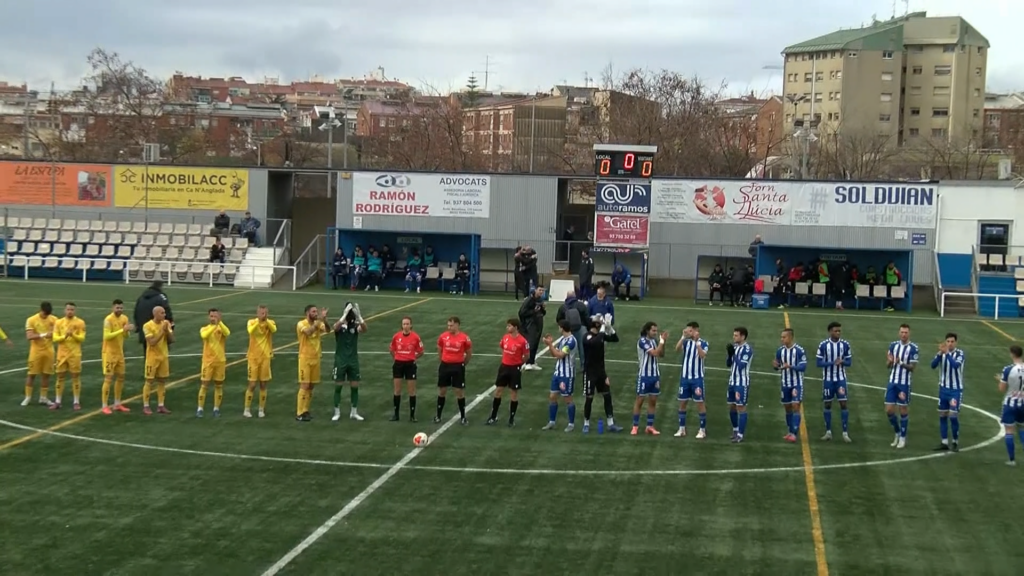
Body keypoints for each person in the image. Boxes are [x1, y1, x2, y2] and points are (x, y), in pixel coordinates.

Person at [580, 315, 623, 433]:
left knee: (607, 396)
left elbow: (615, 339)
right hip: (590, 373)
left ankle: (610, 423)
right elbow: (595, 342)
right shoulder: (587, 336)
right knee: (589, 398)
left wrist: (610, 328)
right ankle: (586, 423)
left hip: (600, 372)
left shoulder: (600, 335)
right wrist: (604, 328)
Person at [488, 318, 529, 427]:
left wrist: (518, 363)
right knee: (498, 391)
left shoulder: (522, 341)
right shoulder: (505, 337)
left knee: (513, 393)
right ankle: (493, 416)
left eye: (509, 326)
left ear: (515, 327)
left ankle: (511, 418)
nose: (507, 328)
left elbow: (526, 355)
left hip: (515, 368)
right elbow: (502, 347)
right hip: (504, 367)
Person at [816, 321, 852, 442]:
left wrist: (842, 362)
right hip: (828, 380)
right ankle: (828, 432)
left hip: (841, 379)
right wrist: (832, 363)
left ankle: (845, 433)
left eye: (839, 331)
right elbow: (818, 363)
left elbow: (849, 362)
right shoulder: (823, 345)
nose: (838, 333)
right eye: (836, 331)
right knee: (827, 404)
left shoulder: (845, 345)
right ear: (830, 332)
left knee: (843, 404)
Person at [884, 324, 919, 449]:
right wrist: (890, 361)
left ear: (909, 333)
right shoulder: (893, 345)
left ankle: (903, 438)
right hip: (892, 381)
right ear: (899, 333)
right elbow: (888, 365)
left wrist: (901, 362)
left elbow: (912, 368)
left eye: (906, 332)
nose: (904, 334)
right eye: (902, 332)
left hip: (904, 383)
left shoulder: (913, 348)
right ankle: (897, 432)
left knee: (903, 409)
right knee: (889, 410)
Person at [332, 303, 367, 422]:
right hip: (340, 360)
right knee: (338, 387)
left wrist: (360, 317)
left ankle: (354, 412)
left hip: (353, 360)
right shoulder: (340, 326)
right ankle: (337, 412)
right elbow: (335, 328)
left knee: (355, 387)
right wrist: (344, 315)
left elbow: (364, 329)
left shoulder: (355, 326)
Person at [435, 316, 472, 425]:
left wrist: (463, 363)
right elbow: (439, 349)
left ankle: (463, 417)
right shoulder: (443, 336)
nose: (449, 327)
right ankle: (438, 416)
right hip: (445, 366)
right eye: (448, 325)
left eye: (451, 325)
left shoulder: (464, 338)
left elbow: (469, 353)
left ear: (457, 325)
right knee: (442, 391)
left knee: (459, 392)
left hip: (458, 367)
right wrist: (443, 360)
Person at [674, 321, 709, 439]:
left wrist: (697, 343)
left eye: (689, 330)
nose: (688, 332)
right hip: (685, 378)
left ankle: (702, 430)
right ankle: (682, 429)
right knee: (682, 402)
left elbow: (702, 355)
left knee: (700, 403)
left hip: (697, 379)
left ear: (695, 330)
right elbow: (677, 349)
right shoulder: (686, 342)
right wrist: (682, 337)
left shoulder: (703, 343)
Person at [542, 321, 578, 432]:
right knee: (552, 396)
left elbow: (560, 355)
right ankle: (552, 422)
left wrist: (550, 345)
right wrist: (550, 345)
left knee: (568, 399)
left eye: (559, 327)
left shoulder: (571, 341)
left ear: (562, 328)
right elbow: (555, 354)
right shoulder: (562, 339)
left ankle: (571, 424)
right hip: (558, 373)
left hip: (567, 375)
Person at [295, 304, 329, 422]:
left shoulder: (318, 323)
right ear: (307, 313)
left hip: (316, 358)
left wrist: (325, 320)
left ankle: (305, 410)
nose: (316, 313)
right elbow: (308, 332)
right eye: (313, 312)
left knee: (311, 386)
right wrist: (319, 321)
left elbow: (328, 330)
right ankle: (299, 412)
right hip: (305, 358)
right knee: (304, 385)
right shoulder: (301, 324)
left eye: (316, 312)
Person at [931, 332, 964, 452]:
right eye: (948, 341)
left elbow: (955, 365)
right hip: (943, 389)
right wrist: (939, 355)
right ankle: (944, 442)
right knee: (943, 415)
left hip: (955, 390)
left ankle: (955, 441)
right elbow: (932, 365)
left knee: (953, 416)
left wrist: (947, 353)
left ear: (956, 342)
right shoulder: (941, 353)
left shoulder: (960, 354)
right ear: (945, 342)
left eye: (952, 341)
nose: (950, 344)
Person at [632, 321, 666, 435]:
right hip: (644, 376)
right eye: (653, 330)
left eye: (656, 331)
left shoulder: (654, 341)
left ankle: (649, 426)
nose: (655, 333)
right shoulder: (642, 341)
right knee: (640, 401)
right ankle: (635, 426)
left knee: (653, 401)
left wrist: (663, 343)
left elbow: (661, 354)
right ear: (647, 331)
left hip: (655, 375)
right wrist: (662, 341)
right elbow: (654, 353)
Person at [773, 328, 807, 442]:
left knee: (795, 405)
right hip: (785, 383)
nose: (782, 339)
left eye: (784, 337)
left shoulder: (799, 350)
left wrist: (791, 366)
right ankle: (790, 431)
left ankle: (794, 433)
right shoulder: (780, 351)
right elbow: (778, 365)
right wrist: (775, 366)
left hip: (797, 383)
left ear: (791, 337)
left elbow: (803, 367)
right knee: (787, 408)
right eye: (781, 337)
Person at [101, 299, 134, 415]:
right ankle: (104, 405)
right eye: (117, 308)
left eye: (121, 308)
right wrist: (122, 330)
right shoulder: (108, 320)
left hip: (119, 353)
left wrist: (127, 331)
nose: (119, 310)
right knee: (108, 378)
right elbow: (107, 336)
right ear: (113, 308)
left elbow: (126, 336)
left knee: (121, 377)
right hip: (109, 353)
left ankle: (117, 403)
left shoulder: (124, 318)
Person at [51, 302, 86, 410]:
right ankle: (57, 401)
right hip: (61, 354)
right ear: (64, 310)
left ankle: (76, 401)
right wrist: (65, 336)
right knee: (60, 377)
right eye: (68, 309)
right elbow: (55, 338)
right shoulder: (59, 322)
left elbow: (82, 338)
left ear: (75, 311)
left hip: (75, 354)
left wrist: (73, 335)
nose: (70, 311)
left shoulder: (80, 322)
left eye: (72, 310)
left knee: (75, 377)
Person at [197, 308, 230, 418]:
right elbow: (204, 336)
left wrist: (219, 323)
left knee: (219, 385)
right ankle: (200, 408)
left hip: (220, 361)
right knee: (204, 385)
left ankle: (216, 408)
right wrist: (214, 326)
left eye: (215, 316)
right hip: (208, 361)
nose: (213, 318)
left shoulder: (222, 328)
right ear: (208, 317)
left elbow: (227, 333)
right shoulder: (204, 329)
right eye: (211, 316)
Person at [245, 305, 276, 418]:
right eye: (262, 313)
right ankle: (247, 409)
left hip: (265, 357)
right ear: (257, 313)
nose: (264, 315)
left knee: (263, 384)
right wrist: (258, 321)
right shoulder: (251, 322)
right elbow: (250, 331)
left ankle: (261, 409)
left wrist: (266, 321)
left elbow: (274, 330)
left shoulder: (270, 323)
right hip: (253, 357)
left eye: (265, 313)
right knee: (252, 384)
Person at [390, 316, 424, 422]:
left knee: (411, 390)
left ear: (411, 325)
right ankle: (396, 415)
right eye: (404, 324)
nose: (405, 326)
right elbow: (391, 349)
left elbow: (421, 351)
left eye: (407, 324)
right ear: (401, 325)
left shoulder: (416, 337)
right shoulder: (396, 336)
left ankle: (412, 416)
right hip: (398, 364)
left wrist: (412, 357)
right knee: (397, 390)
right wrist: (397, 358)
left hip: (410, 365)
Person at [23, 301, 56, 406]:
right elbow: (29, 336)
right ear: (41, 310)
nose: (46, 316)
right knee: (31, 374)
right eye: (45, 314)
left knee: (46, 375)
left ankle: (43, 397)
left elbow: (59, 332)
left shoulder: (54, 319)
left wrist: (55, 333)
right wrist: (45, 334)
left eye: (48, 315)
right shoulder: (31, 320)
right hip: (35, 351)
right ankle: (28, 397)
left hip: (49, 351)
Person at [142, 305, 174, 415]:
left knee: (162, 381)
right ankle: (146, 406)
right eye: (162, 313)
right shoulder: (147, 326)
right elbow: (152, 342)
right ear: (155, 314)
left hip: (163, 356)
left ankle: (161, 405)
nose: (164, 315)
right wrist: (162, 331)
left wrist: (168, 331)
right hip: (152, 358)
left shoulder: (166, 323)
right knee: (149, 381)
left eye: (164, 313)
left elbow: (171, 340)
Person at [726, 327, 753, 443]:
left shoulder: (747, 349)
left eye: (736, 335)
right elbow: (728, 364)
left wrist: (734, 355)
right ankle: (735, 430)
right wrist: (729, 355)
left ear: (743, 336)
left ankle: (740, 435)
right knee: (732, 406)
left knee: (741, 407)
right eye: (734, 335)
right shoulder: (735, 347)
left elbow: (741, 365)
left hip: (742, 383)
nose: (734, 337)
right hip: (732, 381)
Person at [998, 346, 1024, 466]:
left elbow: (1002, 388)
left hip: (1010, 403)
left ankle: (1012, 460)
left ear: (1012, 354)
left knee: (1009, 431)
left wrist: (1001, 380)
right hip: (1022, 403)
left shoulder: (1008, 369)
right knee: (1022, 428)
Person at [134, 281, 172, 354]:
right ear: (160, 287)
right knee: (161, 351)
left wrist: (138, 326)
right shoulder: (161, 297)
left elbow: (136, 312)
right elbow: (167, 310)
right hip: (157, 329)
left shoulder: (141, 297)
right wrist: (170, 326)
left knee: (147, 352)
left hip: (144, 328)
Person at [556, 291, 589, 365]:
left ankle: (569, 365)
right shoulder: (581, 305)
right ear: (575, 296)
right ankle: (584, 366)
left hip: (568, 330)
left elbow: (558, 319)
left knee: (568, 349)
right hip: (581, 328)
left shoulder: (563, 307)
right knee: (582, 349)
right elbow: (587, 318)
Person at [518, 286, 546, 370]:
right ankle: (527, 362)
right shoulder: (529, 300)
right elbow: (521, 313)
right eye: (540, 290)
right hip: (531, 324)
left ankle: (532, 361)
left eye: (542, 290)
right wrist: (534, 311)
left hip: (538, 323)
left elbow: (542, 313)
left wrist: (543, 309)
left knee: (536, 343)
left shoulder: (540, 300)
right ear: (535, 290)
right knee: (531, 343)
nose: (541, 292)